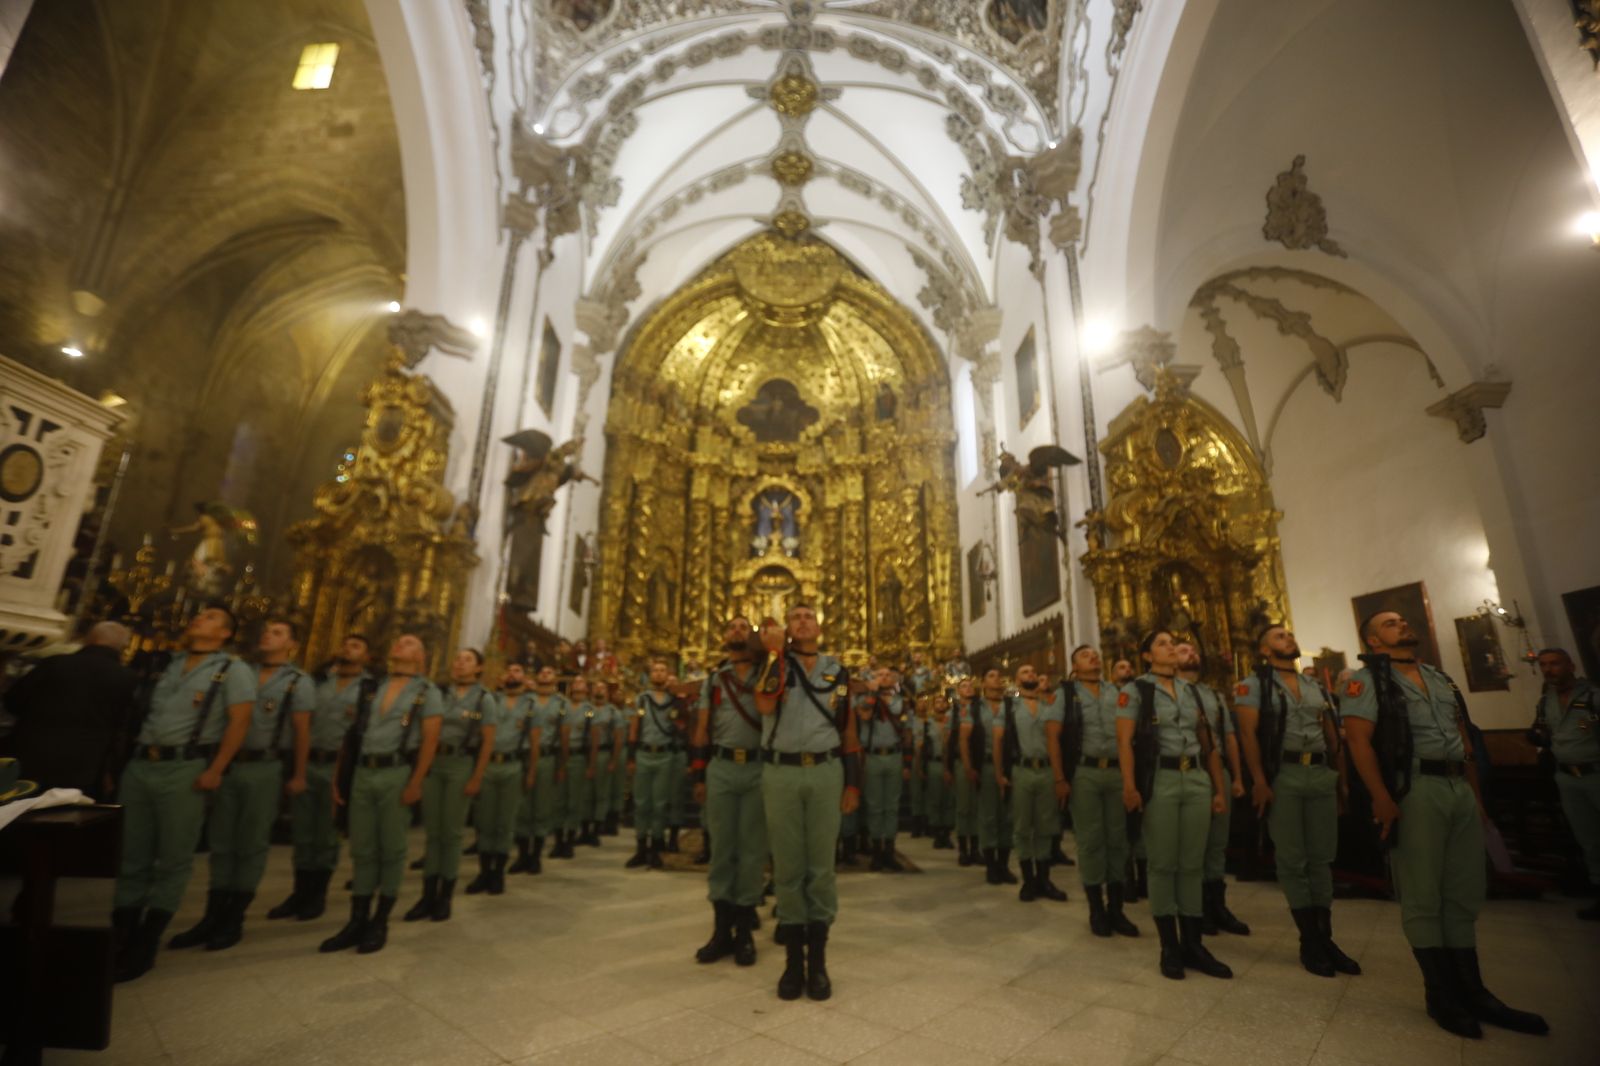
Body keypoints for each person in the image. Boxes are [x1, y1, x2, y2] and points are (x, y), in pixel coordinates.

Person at [1343, 611, 1547, 1038]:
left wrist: (1475, 796)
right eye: (1390, 623)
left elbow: (1464, 741)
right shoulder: (1367, 681)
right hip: (1415, 788)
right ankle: (1440, 994)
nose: (1402, 624)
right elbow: (1359, 740)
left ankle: (1474, 991)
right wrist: (1381, 797)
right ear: (1373, 640)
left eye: (1402, 619)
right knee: (1422, 891)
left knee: (1462, 890)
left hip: (1456, 785)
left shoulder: (1439, 678)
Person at [111, 606, 256, 982]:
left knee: (173, 857)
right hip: (142, 764)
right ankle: (119, 935)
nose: (198, 619)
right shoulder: (167, 664)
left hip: (185, 768)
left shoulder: (232, 670)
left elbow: (240, 722)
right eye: (199, 615)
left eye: (209, 617)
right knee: (131, 854)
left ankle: (145, 942)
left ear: (225, 632)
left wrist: (216, 769)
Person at [169, 618, 308, 953]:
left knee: (250, 842)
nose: (267, 635)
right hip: (230, 764)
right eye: (266, 630)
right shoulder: (237, 671)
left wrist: (299, 774)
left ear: (291, 644)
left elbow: (302, 731)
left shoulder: (296, 681)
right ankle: (211, 915)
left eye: (277, 633)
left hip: (264, 765)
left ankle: (234, 918)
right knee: (222, 841)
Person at [1235, 624, 1359, 977]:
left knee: (1321, 857)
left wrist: (1342, 782)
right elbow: (1248, 735)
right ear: (1264, 649)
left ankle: (1326, 937)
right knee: (1293, 859)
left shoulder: (1314, 685)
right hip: (1285, 774)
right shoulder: (1253, 685)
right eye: (1278, 636)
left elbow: (1331, 733)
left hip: (1320, 773)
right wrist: (1259, 780)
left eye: (1289, 635)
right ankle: (1309, 940)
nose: (1288, 639)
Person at [756, 605, 862, 1001]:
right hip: (781, 772)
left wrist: (853, 783)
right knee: (787, 867)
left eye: (808, 616)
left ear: (819, 626)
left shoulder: (837, 671)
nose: (802, 621)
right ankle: (791, 963)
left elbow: (848, 727)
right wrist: (773, 654)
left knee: (821, 867)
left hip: (825, 771)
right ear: (786, 628)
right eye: (794, 616)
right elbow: (765, 705)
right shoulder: (774, 664)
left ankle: (817, 963)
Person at [1117, 629, 1232, 981]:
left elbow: (1207, 742)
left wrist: (1217, 788)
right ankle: (1169, 946)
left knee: (1191, 863)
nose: (1171, 648)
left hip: (1196, 778)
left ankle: (1194, 944)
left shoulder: (1193, 692)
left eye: (1172, 643)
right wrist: (1130, 786)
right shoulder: (1135, 690)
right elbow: (1124, 741)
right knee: (1164, 864)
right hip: (1161, 780)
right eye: (1163, 644)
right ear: (1148, 656)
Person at [320, 634, 443, 955]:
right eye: (399, 641)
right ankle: (355, 920)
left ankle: (380, 920)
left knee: (390, 848)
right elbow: (352, 736)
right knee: (362, 848)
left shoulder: (426, 692)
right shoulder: (371, 687)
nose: (401, 644)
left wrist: (416, 781)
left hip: (397, 772)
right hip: (363, 772)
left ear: (421, 657)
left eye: (410, 643)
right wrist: (339, 778)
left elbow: (430, 741)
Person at [269, 633, 369, 922]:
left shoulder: (367, 690)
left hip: (336, 767)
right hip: (310, 762)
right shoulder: (317, 683)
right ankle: (298, 892)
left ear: (367, 657)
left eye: (356, 646)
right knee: (302, 832)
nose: (348, 649)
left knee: (326, 833)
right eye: (346, 644)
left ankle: (317, 895)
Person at [690, 616, 765, 967]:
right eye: (731, 627)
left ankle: (745, 932)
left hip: (757, 768)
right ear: (723, 637)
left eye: (743, 627)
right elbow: (702, 729)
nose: (737, 630)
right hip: (721, 767)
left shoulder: (767, 675)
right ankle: (721, 931)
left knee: (751, 851)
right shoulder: (715, 680)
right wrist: (699, 775)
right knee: (722, 848)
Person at [404, 648, 496, 923]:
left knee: (452, 833)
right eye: (457, 658)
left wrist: (477, 777)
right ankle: (427, 894)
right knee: (433, 832)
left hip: (460, 764)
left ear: (479, 668)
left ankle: (445, 895)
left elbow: (488, 742)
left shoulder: (483, 698)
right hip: (435, 764)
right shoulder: (438, 694)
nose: (460, 663)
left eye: (467, 660)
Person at [1, 621, 135, 798]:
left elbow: (13, 702)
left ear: (89, 639)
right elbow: (124, 728)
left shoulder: (54, 664)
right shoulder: (127, 679)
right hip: (83, 769)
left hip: (29, 759)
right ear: (122, 647)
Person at [1063, 645, 1139, 937]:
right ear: (1074, 666)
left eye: (1096, 653)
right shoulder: (1068, 694)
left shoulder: (1117, 692)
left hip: (1117, 771)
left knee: (1117, 840)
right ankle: (1097, 909)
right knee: (1092, 839)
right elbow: (1054, 735)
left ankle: (1116, 909)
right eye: (1085, 655)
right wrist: (1060, 778)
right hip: (1085, 772)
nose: (1093, 656)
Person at [1175, 641, 1250, 938]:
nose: (1191, 654)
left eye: (1194, 650)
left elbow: (1228, 738)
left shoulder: (1213, 695)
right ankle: (1197, 908)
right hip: (1188, 772)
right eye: (1183, 651)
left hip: (1219, 772)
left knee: (1217, 844)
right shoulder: (1168, 694)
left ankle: (1217, 905)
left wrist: (1238, 778)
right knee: (1193, 845)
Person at [1529, 648, 1600, 920]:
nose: (1548, 669)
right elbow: (1545, 730)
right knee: (1589, 839)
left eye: (1554, 664)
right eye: (1543, 665)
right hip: (1567, 777)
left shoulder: (1592, 695)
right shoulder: (1545, 701)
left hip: (1595, 771)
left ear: (1570, 665)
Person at [993, 663, 1069, 902]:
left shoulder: (1050, 704)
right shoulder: (1009, 707)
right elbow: (998, 741)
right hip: (1022, 771)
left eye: (1033, 671)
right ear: (1016, 680)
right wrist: (999, 773)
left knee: (1047, 826)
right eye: (1025, 672)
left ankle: (1044, 879)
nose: (1031, 674)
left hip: (1046, 770)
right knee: (1023, 826)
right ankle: (1029, 880)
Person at [467, 662, 531, 896]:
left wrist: (531, 771)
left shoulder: (530, 704)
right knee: (485, 820)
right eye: (509, 670)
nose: (512, 673)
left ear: (524, 677)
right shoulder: (489, 700)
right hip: (488, 764)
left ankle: (498, 873)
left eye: (518, 670)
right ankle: (483, 871)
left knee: (505, 821)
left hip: (513, 765)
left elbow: (535, 740)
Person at [510, 664, 568, 873]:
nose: (545, 673)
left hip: (546, 758)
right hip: (523, 756)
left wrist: (562, 765)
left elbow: (564, 736)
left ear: (556, 677)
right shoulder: (524, 701)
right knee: (522, 807)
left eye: (550, 671)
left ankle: (536, 856)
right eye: (542, 671)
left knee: (542, 808)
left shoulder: (561, 704)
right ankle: (523, 854)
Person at [627, 659, 684, 869]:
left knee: (660, 803)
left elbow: (680, 725)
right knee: (642, 803)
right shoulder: (641, 699)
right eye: (655, 670)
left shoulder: (674, 700)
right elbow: (634, 728)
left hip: (665, 755)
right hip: (644, 754)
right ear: (650, 675)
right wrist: (631, 757)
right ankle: (641, 846)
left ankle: (656, 846)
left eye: (663, 670)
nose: (659, 674)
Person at [856, 665, 910, 872]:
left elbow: (906, 733)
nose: (884, 677)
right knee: (875, 805)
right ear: (872, 677)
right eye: (880, 674)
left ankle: (889, 849)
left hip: (894, 756)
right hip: (873, 757)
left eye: (888, 675)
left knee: (892, 806)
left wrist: (906, 761)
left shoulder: (900, 701)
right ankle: (876, 850)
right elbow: (865, 715)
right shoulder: (866, 698)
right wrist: (872, 690)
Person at [970, 668, 1018, 885]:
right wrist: (971, 766)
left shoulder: (1012, 705)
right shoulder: (975, 707)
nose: (997, 678)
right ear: (982, 682)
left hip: (1009, 765)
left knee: (1007, 816)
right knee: (989, 816)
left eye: (999, 676)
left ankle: (1004, 865)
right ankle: (991, 865)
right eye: (991, 675)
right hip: (987, 765)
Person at [563, 675, 601, 849]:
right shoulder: (562, 707)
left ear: (587, 689)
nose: (577, 685)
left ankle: (571, 834)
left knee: (575, 799)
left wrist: (591, 764)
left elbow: (594, 737)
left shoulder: (589, 710)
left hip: (579, 755)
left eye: (581, 682)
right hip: (562, 756)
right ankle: (558, 835)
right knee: (559, 798)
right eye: (575, 682)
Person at [949, 678, 980, 866]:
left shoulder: (979, 708)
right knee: (963, 807)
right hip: (961, 762)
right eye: (964, 686)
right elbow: (948, 741)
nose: (968, 688)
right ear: (958, 691)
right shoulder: (954, 712)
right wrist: (948, 767)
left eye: (970, 685)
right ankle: (963, 849)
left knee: (976, 807)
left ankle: (976, 848)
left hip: (977, 760)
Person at [919, 694, 954, 849]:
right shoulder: (927, 724)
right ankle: (937, 832)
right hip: (934, 762)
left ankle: (947, 832)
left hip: (949, 764)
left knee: (949, 799)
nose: (940, 705)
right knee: (935, 799)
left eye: (943, 702)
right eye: (937, 702)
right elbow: (921, 747)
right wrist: (920, 767)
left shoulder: (952, 722)